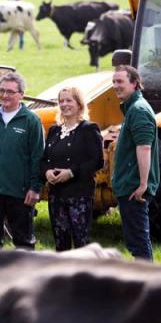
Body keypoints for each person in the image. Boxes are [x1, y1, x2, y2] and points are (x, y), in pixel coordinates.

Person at [0, 72, 44, 249]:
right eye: (2, 90)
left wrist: (35, 188)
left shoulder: (31, 121)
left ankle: (25, 275)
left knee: (24, 242)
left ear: (21, 94)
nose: (5, 95)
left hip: (20, 193)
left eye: (10, 92)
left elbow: (38, 157)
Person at [40, 86, 103, 251]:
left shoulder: (89, 129)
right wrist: (46, 171)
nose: (64, 104)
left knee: (81, 243)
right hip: (56, 196)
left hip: (79, 195)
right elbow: (44, 158)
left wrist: (71, 172)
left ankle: (84, 276)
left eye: (69, 100)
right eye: (61, 101)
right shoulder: (54, 131)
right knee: (61, 243)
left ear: (79, 104)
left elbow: (97, 161)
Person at [111, 65, 160, 261]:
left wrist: (142, 184)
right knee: (136, 241)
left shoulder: (138, 110)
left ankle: (147, 284)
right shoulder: (132, 108)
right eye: (113, 82)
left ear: (134, 83)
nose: (115, 86)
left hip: (134, 188)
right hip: (129, 185)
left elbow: (144, 147)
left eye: (120, 81)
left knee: (139, 243)